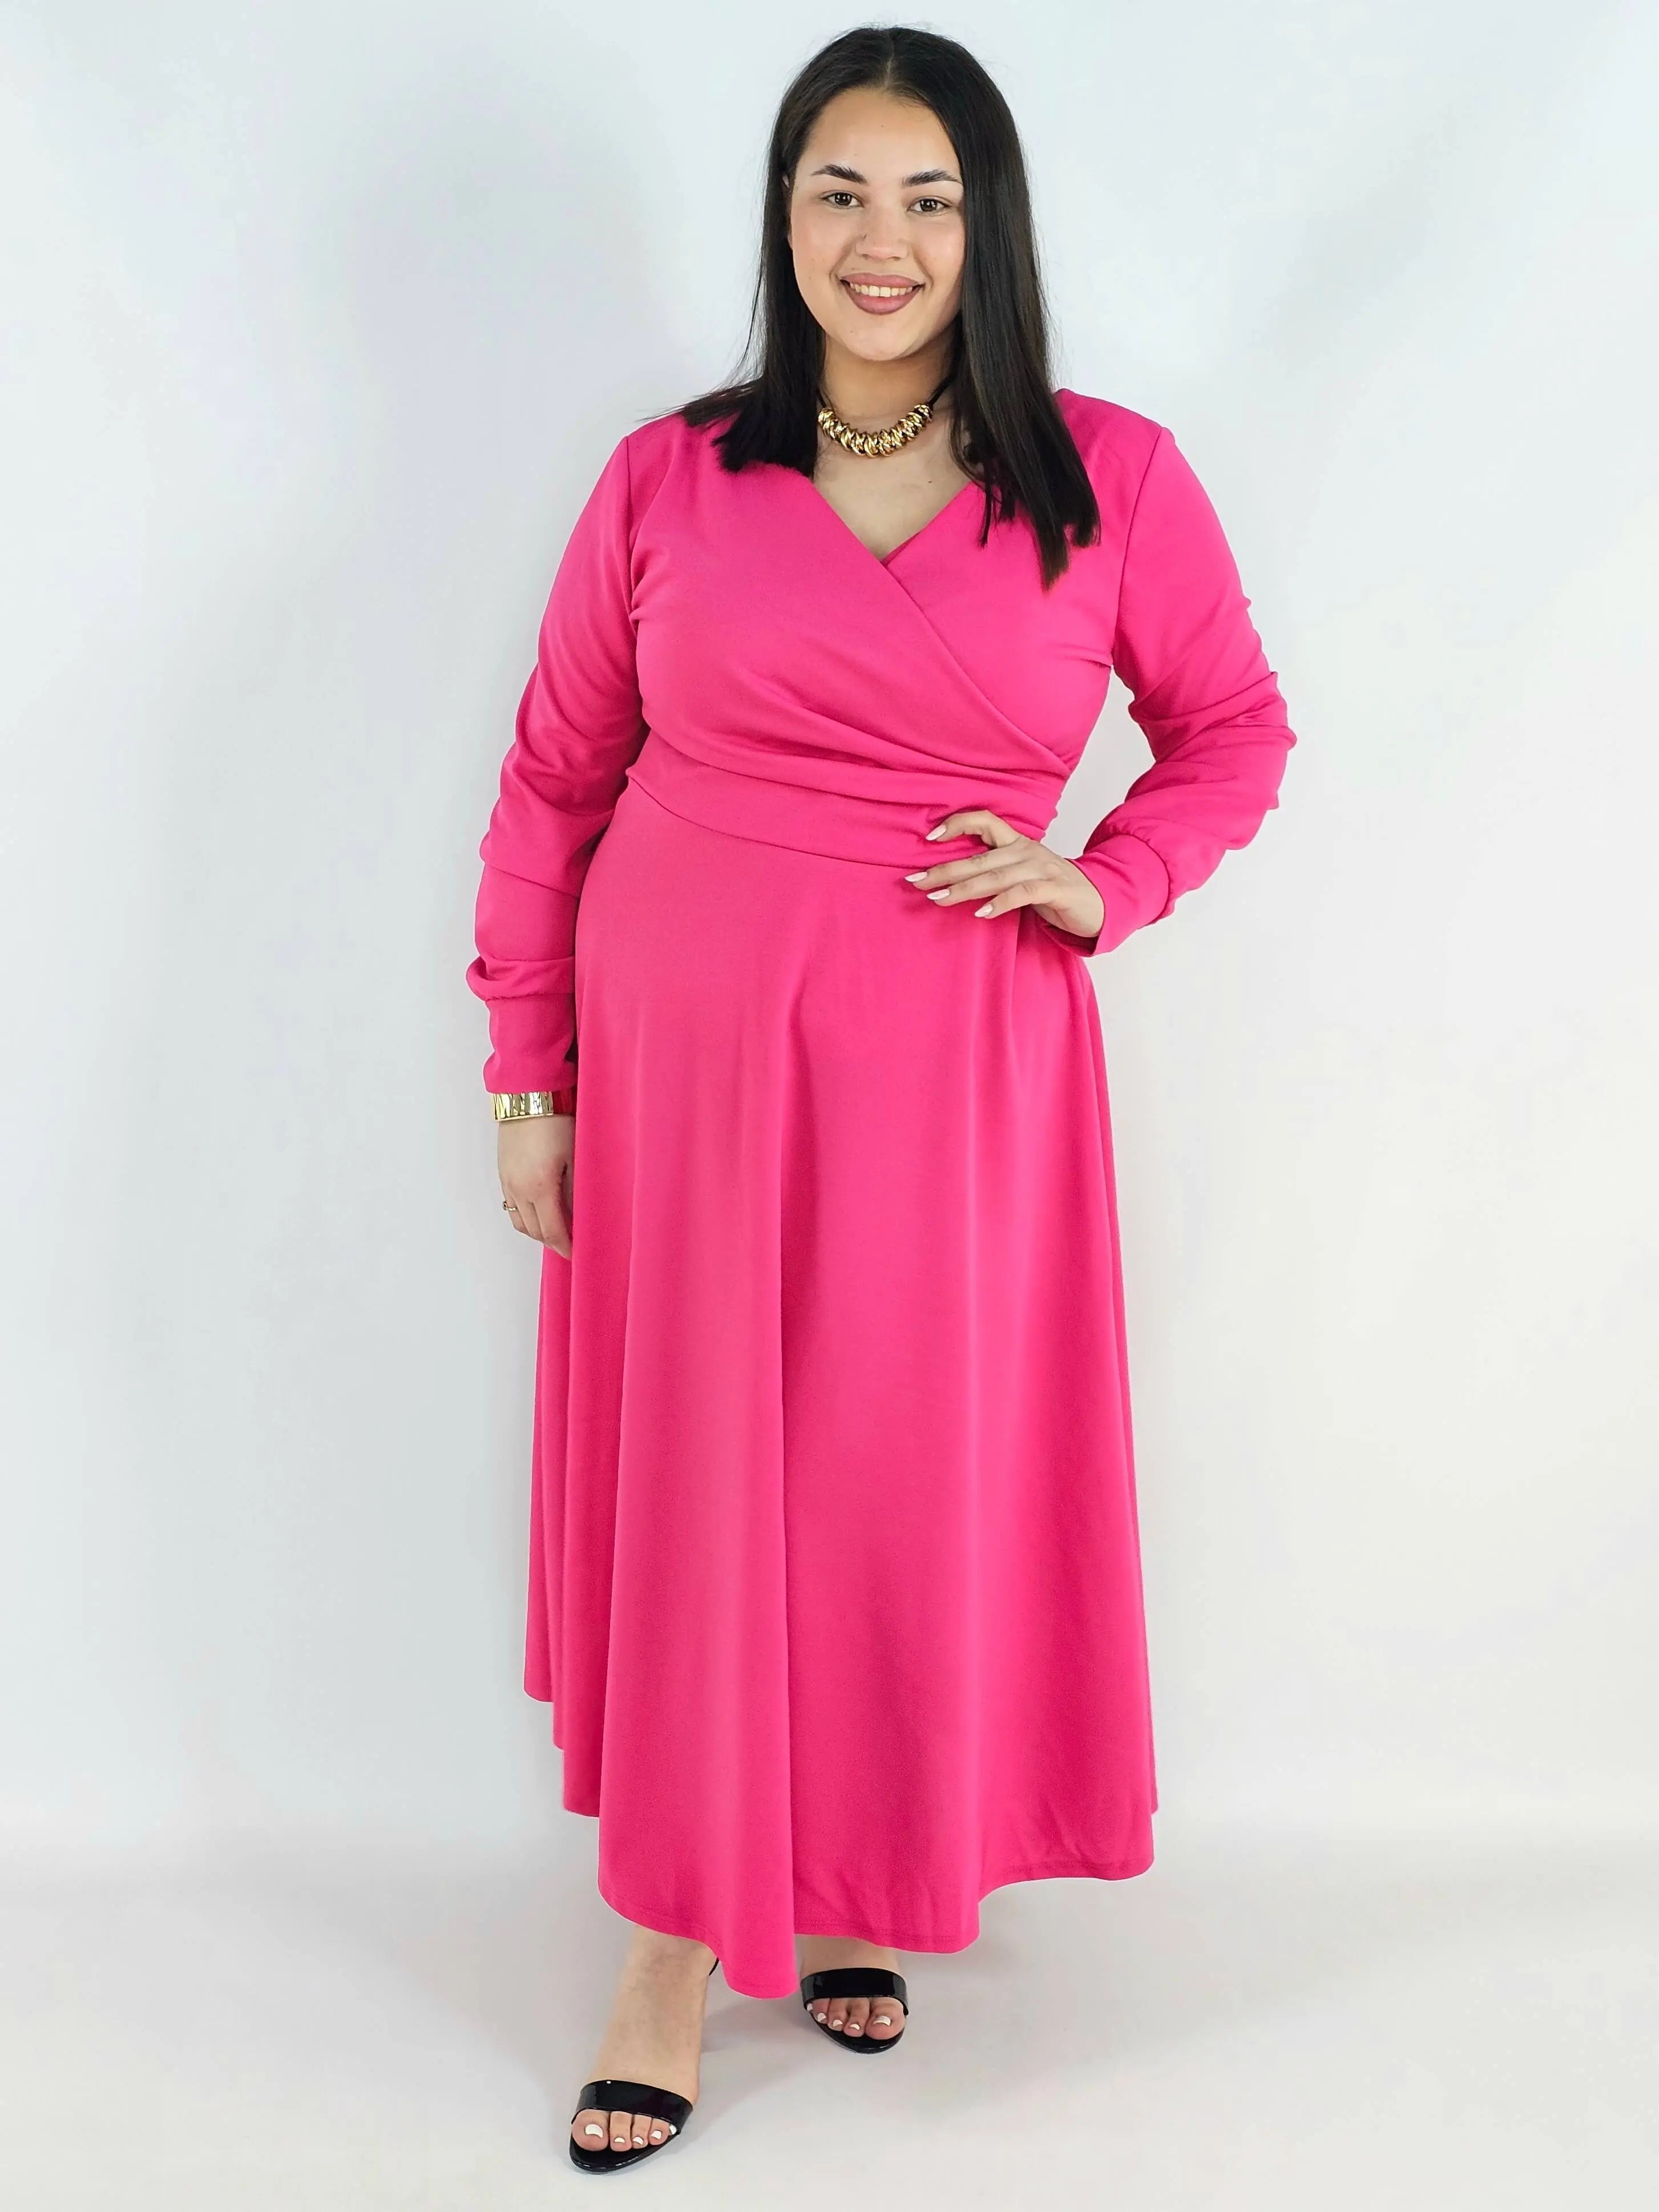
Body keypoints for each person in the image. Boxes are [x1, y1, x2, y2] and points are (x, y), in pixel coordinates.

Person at [465, 25, 1296, 2175]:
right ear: (783, 215)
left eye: (928, 197)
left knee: (882, 1472)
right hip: (684, 1067)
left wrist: (1105, 877)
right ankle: (669, 1945)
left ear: (986, 226)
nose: (881, 239)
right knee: (706, 1480)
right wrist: (526, 1071)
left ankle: (843, 1867)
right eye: (838, 190)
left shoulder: (1110, 476)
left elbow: (1232, 728)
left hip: (954, 1072)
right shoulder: (669, 476)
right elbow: (555, 780)